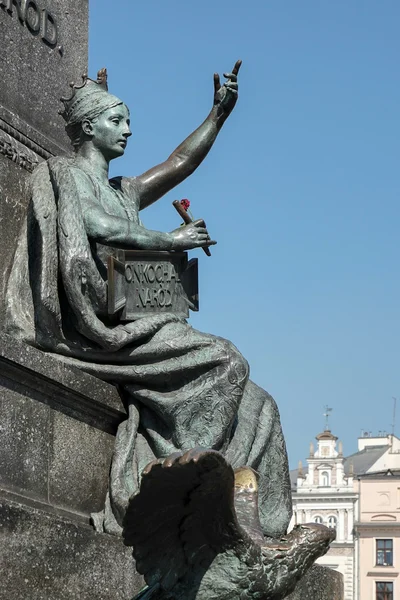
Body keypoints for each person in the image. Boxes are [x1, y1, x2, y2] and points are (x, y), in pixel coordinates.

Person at [4, 64, 292, 537]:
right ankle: (177, 493)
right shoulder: (64, 173)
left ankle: (249, 524)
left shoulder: (126, 191)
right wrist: (167, 239)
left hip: (138, 319)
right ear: (88, 125)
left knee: (260, 404)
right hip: (102, 327)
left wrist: (217, 116)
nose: (128, 129)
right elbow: (95, 224)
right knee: (227, 362)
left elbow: (179, 162)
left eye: (128, 120)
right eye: (117, 119)